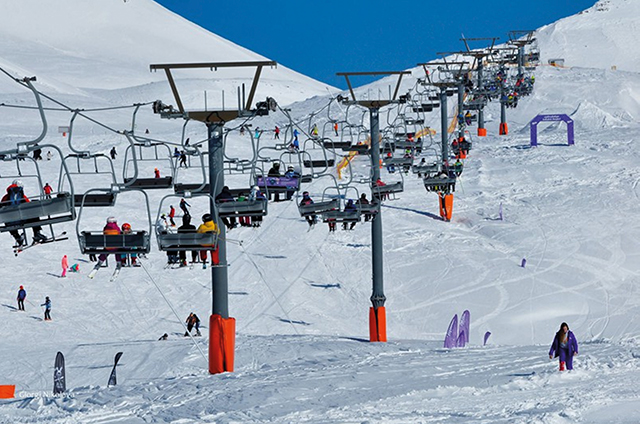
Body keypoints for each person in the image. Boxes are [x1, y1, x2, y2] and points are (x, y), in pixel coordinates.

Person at [2, 180, 48, 246]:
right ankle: (37, 233)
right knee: (33, 213)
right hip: (23, 219)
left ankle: (17, 237)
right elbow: (28, 206)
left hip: (10, 222)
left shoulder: (5, 198)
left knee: (6, 218)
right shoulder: (22, 196)